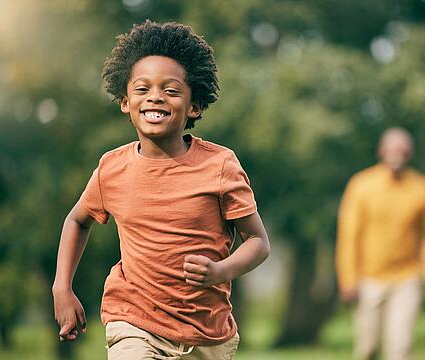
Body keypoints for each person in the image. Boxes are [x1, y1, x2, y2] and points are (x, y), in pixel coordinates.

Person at [52, 20, 270, 360]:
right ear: (125, 102)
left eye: (171, 90)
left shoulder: (220, 166)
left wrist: (220, 271)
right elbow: (78, 221)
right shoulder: (112, 168)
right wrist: (62, 287)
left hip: (206, 334)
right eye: (142, 89)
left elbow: (258, 241)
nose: (155, 96)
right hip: (134, 321)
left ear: (194, 106)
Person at [335, 127, 425, 360]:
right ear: (381, 151)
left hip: (407, 278)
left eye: (402, 149)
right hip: (368, 279)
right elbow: (349, 236)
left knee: (400, 347)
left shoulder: (423, 187)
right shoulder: (361, 184)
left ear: (410, 153)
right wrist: (348, 278)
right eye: (392, 149)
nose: (397, 154)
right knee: (368, 349)